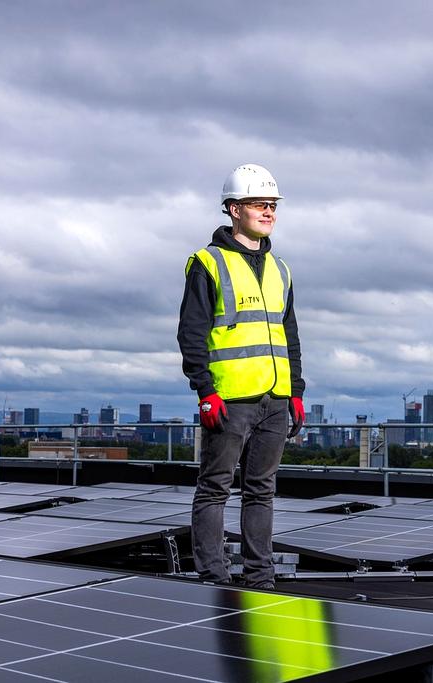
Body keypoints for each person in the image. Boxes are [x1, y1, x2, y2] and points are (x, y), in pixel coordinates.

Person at [177, 163, 306, 588]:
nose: (268, 212)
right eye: (258, 204)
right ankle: (213, 578)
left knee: (261, 491)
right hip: (229, 400)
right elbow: (191, 332)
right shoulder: (207, 263)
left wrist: (297, 391)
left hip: (275, 399)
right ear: (234, 209)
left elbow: (289, 333)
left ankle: (259, 578)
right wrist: (205, 390)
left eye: (272, 205)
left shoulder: (280, 269)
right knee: (215, 487)